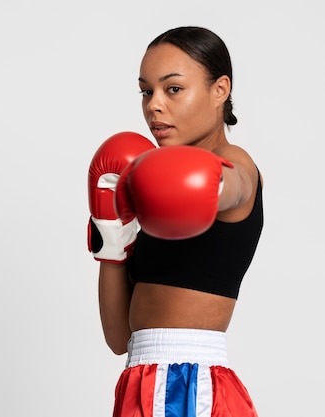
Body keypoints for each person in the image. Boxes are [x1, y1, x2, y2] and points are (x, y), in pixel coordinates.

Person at [87, 26, 263, 416]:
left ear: (220, 89)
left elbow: (235, 184)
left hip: (185, 384)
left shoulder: (238, 164)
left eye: (173, 89)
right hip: (141, 378)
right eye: (146, 91)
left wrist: (211, 186)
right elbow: (119, 337)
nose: (154, 105)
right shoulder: (147, 189)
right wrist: (110, 233)